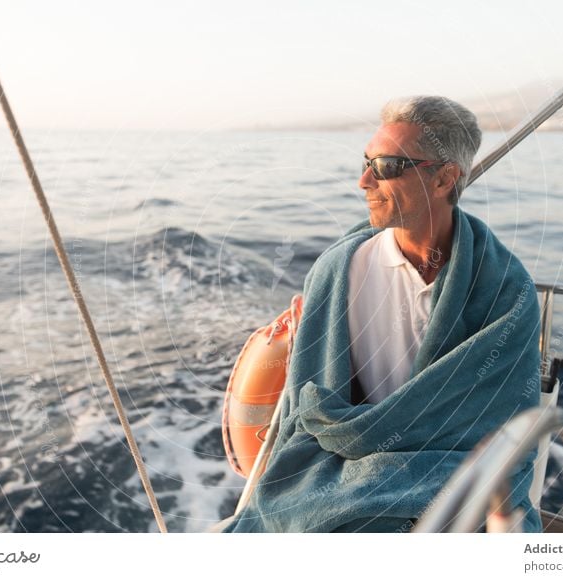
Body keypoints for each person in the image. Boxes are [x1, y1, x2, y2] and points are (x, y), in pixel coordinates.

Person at [221, 96, 543, 533]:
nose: (363, 181)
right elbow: (310, 408)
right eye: (367, 161)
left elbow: (503, 424)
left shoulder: (505, 289)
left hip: (452, 469)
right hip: (342, 461)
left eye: (387, 166)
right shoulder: (337, 274)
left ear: (445, 178)